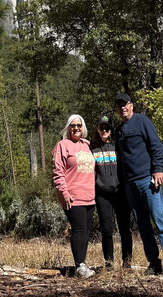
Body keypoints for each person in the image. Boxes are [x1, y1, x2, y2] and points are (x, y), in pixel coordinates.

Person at [113, 92, 163, 277]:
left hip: (147, 180)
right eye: (119, 106)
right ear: (116, 110)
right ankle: (154, 264)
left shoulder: (142, 121)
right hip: (130, 184)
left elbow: (156, 146)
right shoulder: (119, 130)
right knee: (142, 225)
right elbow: (121, 158)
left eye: (125, 104)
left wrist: (157, 169)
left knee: (159, 219)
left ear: (131, 105)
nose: (122, 108)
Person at [52, 113, 96, 278]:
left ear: (83, 128)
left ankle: (82, 264)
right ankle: (79, 267)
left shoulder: (87, 145)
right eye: (73, 125)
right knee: (78, 229)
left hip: (89, 196)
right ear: (68, 128)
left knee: (85, 231)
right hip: (73, 196)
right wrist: (64, 193)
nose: (76, 128)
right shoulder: (62, 145)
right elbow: (58, 172)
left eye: (79, 125)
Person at [91, 114, 133, 268]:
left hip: (120, 192)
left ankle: (127, 262)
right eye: (101, 127)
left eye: (107, 128)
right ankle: (109, 263)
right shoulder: (92, 148)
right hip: (102, 194)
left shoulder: (117, 147)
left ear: (111, 129)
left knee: (124, 228)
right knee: (107, 229)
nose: (104, 130)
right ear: (97, 129)